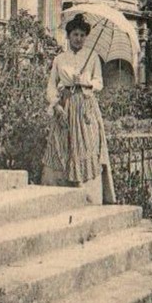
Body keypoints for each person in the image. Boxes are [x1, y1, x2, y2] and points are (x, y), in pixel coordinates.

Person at [42, 13, 116, 205]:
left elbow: (99, 82)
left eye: (82, 35)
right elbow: (51, 85)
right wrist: (55, 104)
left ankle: (88, 197)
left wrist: (85, 81)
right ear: (68, 36)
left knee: (86, 145)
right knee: (61, 145)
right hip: (65, 105)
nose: (79, 39)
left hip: (85, 107)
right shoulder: (60, 59)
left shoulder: (92, 57)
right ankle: (59, 196)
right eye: (75, 34)